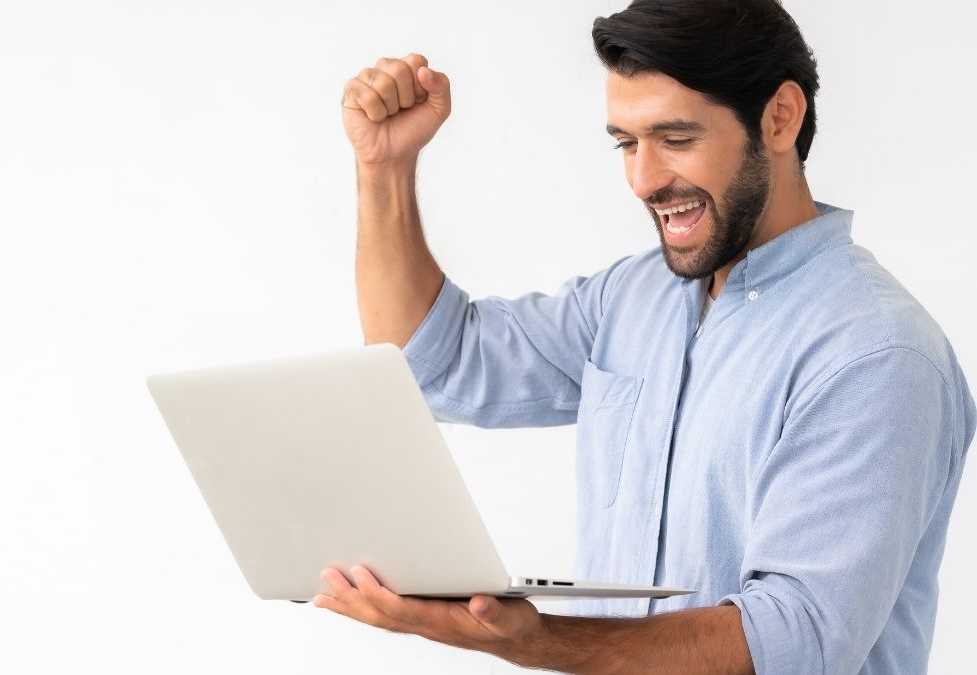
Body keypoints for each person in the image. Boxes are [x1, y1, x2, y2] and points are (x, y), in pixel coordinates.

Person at [317, 0, 977, 673]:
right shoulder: (634, 297)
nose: (644, 180)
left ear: (780, 117)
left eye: (677, 138)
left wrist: (532, 639)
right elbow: (434, 364)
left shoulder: (875, 353)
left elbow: (794, 636)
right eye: (627, 143)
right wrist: (384, 169)